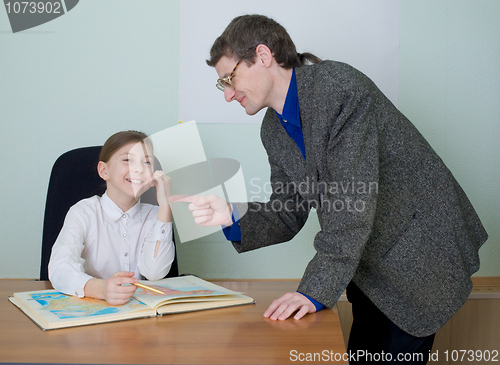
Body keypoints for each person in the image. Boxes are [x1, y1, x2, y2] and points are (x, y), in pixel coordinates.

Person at [172, 15, 488, 364]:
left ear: (262, 55)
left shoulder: (338, 88)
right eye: (222, 86)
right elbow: (287, 211)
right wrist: (231, 213)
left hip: (418, 257)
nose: (229, 94)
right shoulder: (273, 130)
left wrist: (312, 292)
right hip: (366, 269)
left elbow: (351, 207)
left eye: (229, 79)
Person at [49, 130, 175, 306]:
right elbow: (59, 268)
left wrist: (165, 206)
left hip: (136, 314)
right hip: (89, 308)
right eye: (127, 160)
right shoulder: (83, 212)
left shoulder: (155, 215)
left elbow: (155, 272)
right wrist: (101, 289)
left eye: (147, 162)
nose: (138, 168)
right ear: (104, 170)